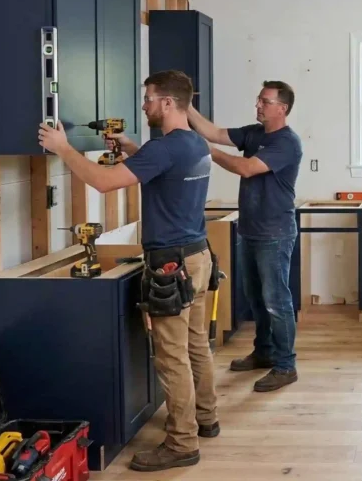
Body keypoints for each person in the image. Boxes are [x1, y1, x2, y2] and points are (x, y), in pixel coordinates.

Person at [38, 70, 219, 472]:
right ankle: (205, 418)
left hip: (171, 264)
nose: (144, 105)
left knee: (172, 358)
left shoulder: (165, 148)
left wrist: (64, 148)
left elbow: (103, 182)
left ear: (168, 102)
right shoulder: (194, 143)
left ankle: (182, 444)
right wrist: (134, 148)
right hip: (198, 256)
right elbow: (163, 170)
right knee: (195, 346)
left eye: (149, 98)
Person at [187, 80, 303, 393]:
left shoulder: (287, 143)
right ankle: (264, 352)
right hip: (251, 229)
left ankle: (285, 365)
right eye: (259, 100)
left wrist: (210, 153)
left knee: (276, 301)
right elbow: (213, 132)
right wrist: (186, 106)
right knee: (256, 298)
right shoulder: (253, 132)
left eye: (266, 102)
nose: (259, 105)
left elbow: (248, 168)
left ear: (283, 108)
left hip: (275, 232)